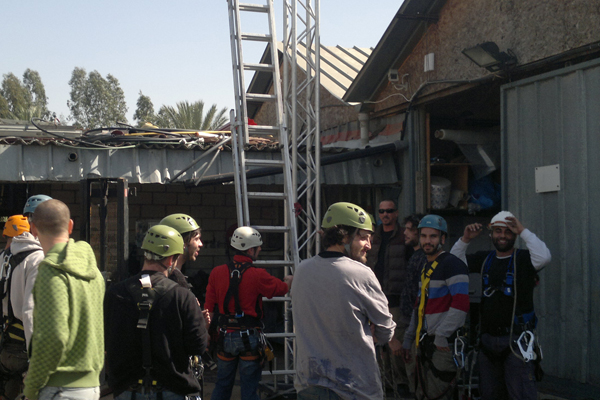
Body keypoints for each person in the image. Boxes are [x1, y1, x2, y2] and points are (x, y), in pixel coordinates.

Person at [293, 202, 396, 400]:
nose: (368, 245)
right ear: (345, 236)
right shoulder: (360, 273)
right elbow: (385, 330)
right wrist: (373, 332)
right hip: (353, 388)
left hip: (309, 385)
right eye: (363, 237)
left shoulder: (301, 270)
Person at [450, 211, 551, 400]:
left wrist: (522, 230)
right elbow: (454, 262)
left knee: (520, 394)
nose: (502, 236)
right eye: (498, 231)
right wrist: (465, 239)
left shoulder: (524, 259)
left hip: (516, 342)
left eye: (508, 231)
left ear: (514, 235)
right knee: (490, 394)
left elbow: (544, 257)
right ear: (491, 234)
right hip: (487, 343)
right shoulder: (484, 259)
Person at [105, 224, 209, 400]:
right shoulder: (182, 296)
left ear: (146, 254)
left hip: (127, 390)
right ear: (170, 260)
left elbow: (105, 340)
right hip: (172, 389)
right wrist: (203, 327)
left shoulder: (115, 294)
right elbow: (197, 346)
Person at [23, 199, 105, 400]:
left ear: (34, 228)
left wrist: (32, 386)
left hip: (59, 388)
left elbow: (53, 337)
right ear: (70, 226)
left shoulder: (50, 271)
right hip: (92, 385)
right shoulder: (94, 271)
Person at [205, 226, 291, 400]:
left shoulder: (216, 273)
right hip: (249, 337)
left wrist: (205, 335)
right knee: (249, 388)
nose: (260, 249)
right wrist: (290, 280)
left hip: (225, 335)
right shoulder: (258, 275)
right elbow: (281, 289)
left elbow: (209, 309)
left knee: (222, 384)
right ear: (250, 250)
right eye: (258, 247)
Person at [402, 215, 469, 400]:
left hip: (443, 345)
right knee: (423, 393)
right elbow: (419, 305)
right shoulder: (426, 266)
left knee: (439, 394)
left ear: (443, 239)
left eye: (433, 236)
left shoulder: (453, 265)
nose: (427, 241)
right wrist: (409, 338)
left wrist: (442, 335)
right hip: (426, 342)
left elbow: (461, 304)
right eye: (423, 236)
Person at [365, 199, 410, 397]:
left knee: (396, 346)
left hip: (395, 298)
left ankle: (401, 384)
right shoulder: (373, 237)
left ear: (396, 213)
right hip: (375, 298)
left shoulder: (402, 236)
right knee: (377, 345)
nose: (385, 214)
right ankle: (385, 383)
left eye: (389, 211)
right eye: (382, 211)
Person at [0, 215, 44, 400]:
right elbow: (30, 312)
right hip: (24, 345)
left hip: (5, 343)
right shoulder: (37, 258)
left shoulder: (3, 258)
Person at [398, 213, 426, 394]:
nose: (406, 233)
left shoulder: (423, 257)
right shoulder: (414, 254)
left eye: (410, 230)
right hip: (408, 316)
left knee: (415, 369)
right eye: (405, 229)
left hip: (417, 320)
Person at [159, 213, 203, 289]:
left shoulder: (163, 276)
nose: (200, 244)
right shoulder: (172, 283)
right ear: (181, 242)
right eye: (196, 239)